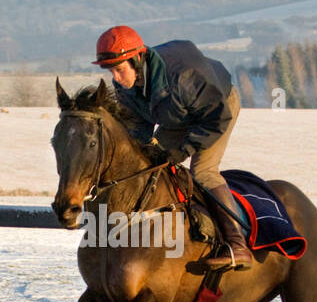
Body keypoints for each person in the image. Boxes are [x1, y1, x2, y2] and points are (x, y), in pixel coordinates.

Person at [92, 25, 253, 270]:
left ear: (137, 60)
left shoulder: (184, 77)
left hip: (217, 108)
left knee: (203, 172)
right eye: (111, 71)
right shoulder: (126, 84)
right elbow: (137, 126)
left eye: (119, 70)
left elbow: (215, 119)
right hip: (177, 113)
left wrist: (182, 150)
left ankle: (237, 245)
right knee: (150, 164)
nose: (115, 78)